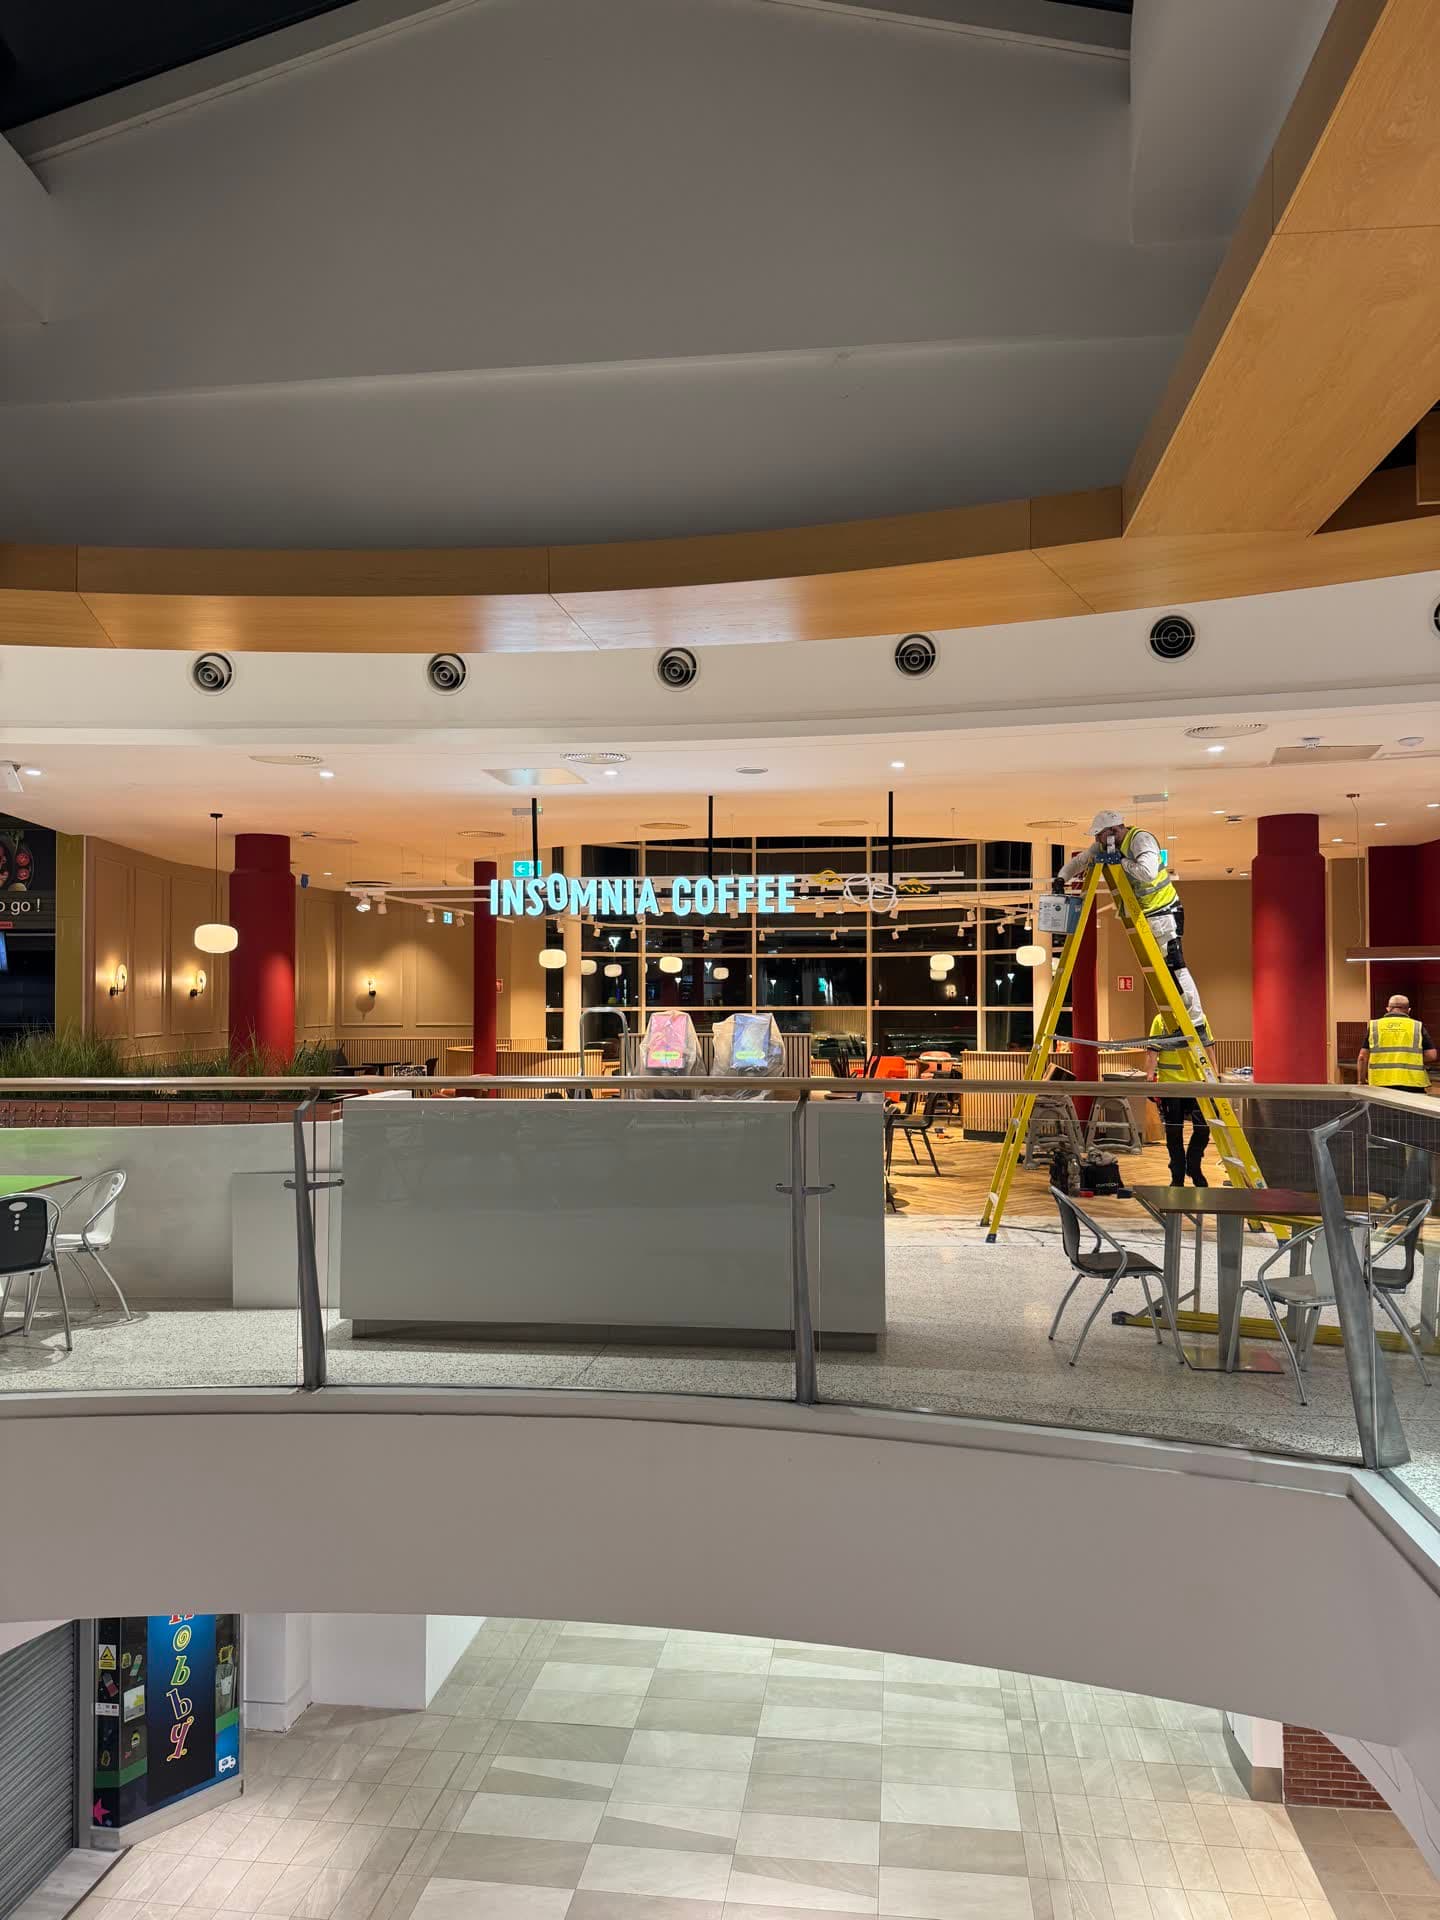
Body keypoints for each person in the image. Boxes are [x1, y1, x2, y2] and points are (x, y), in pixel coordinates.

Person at [1056, 809, 1208, 1036]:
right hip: (1146, 914)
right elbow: (1080, 862)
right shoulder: (1106, 846)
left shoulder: (1141, 840)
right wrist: (1061, 878)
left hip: (1164, 912)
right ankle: (1182, 1024)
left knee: (1176, 969)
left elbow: (1147, 873)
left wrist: (1122, 862)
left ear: (1114, 830)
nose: (1096, 840)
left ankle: (1196, 1024)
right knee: (1164, 972)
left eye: (1099, 834)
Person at [1148, 1010, 1209, 1186]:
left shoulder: (1200, 1019)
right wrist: (1150, 1079)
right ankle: (1177, 1174)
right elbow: (1153, 1051)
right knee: (1174, 1133)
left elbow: (1208, 1046)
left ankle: (1193, 1165)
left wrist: (1215, 1076)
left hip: (1197, 1083)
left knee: (1203, 1128)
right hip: (1170, 1085)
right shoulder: (1160, 1019)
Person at [1357, 995, 1436, 1090]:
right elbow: (1432, 1055)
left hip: (1380, 1083)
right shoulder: (1417, 1026)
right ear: (1408, 1010)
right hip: (1412, 1083)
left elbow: (1362, 1057)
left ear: (1388, 1009)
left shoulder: (1375, 1026)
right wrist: (1412, 1059)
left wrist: (1361, 1081)